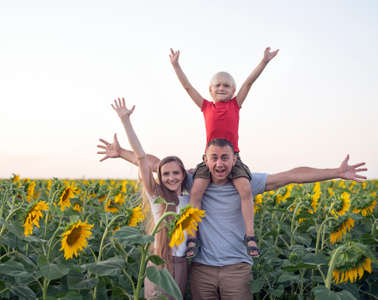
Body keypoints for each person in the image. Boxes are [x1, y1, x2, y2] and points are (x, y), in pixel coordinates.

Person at [98, 136, 367, 299]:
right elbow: (158, 164)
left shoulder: (247, 182)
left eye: (225, 158)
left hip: (236, 269)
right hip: (201, 268)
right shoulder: (192, 181)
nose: (219, 163)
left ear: (234, 158)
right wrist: (121, 153)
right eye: (213, 158)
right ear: (205, 159)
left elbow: (291, 175)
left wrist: (335, 171)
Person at [169, 47, 279, 256]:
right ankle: (192, 237)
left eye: (226, 85)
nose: (222, 88)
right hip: (210, 160)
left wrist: (263, 62)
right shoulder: (205, 106)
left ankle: (250, 236)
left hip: (232, 159)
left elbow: (249, 82)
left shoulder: (235, 105)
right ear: (210, 90)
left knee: (245, 190)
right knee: (196, 192)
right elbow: (187, 87)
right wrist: (176, 66)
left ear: (232, 90)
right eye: (217, 85)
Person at [108, 98, 190, 299]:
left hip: (181, 263)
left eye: (176, 173)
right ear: (159, 177)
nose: (171, 178)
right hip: (159, 262)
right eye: (166, 174)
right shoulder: (157, 197)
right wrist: (126, 121)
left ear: (183, 175)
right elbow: (142, 158)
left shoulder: (191, 200)